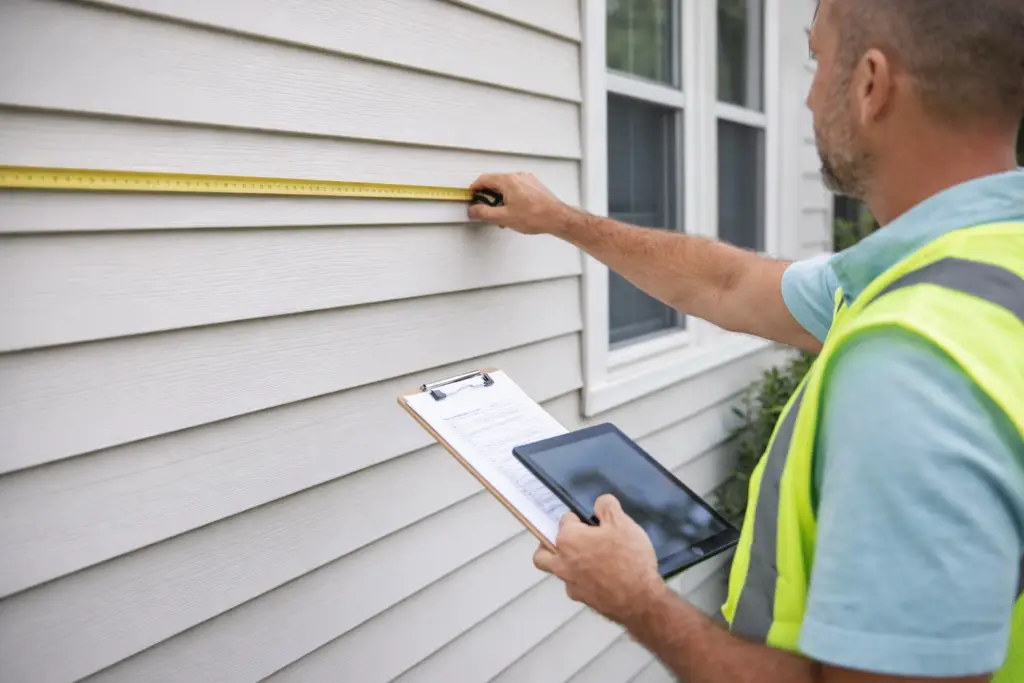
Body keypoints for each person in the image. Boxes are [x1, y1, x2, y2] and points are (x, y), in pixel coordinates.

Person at [466, 0, 1024, 681]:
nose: (812, 95)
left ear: (872, 84)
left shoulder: (912, 364)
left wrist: (638, 599)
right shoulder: (977, 264)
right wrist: (558, 220)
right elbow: (726, 284)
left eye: (818, 59)